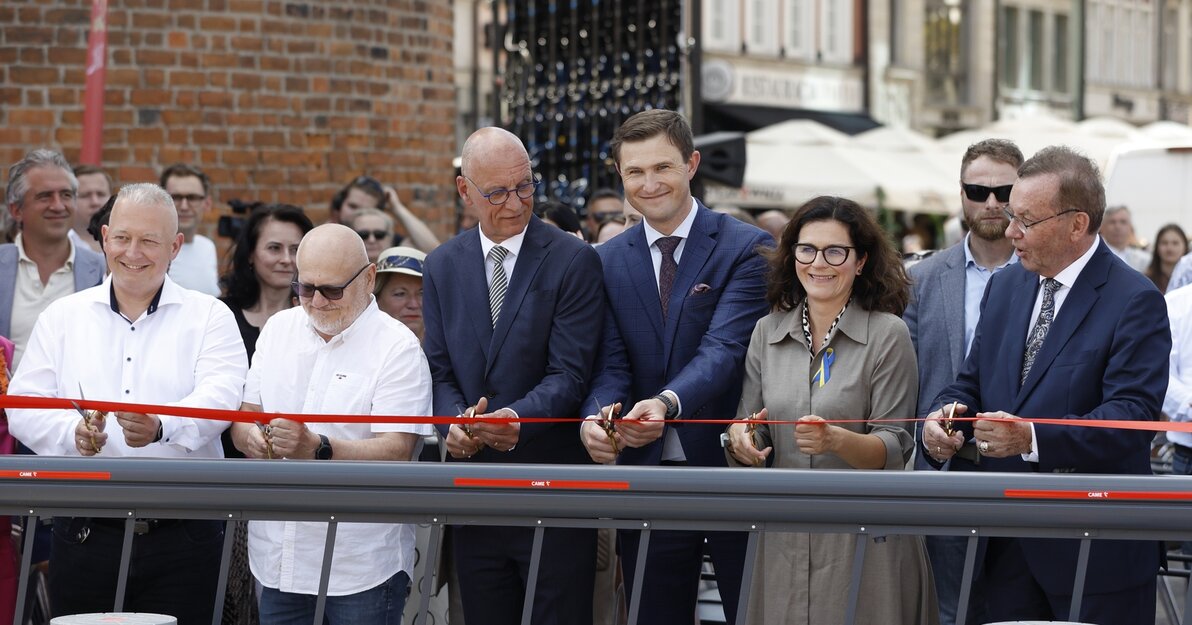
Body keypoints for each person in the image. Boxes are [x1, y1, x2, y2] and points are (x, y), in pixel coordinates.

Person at [921, 146, 1169, 625]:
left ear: (1077, 224)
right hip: (1004, 546)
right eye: (1012, 216)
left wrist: (1032, 438)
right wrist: (942, 419)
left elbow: (1133, 416)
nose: (1010, 230)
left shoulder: (1134, 299)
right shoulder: (1008, 285)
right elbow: (969, 383)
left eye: (1026, 220)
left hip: (1093, 552)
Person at [8, 182, 248, 625]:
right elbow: (24, 405)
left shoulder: (211, 316)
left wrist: (162, 426)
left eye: (149, 241)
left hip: (184, 537)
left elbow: (222, 396)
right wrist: (71, 435)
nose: (132, 252)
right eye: (121, 238)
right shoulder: (63, 317)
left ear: (175, 246)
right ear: (103, 238)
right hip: (84, 534)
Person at [580, 109, 772, 625]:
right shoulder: (606, 259)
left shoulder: (747, 246)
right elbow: (611, 362)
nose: (650, 183)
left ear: (691, 163)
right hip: (644, 479)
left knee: (751, 611)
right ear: (620, 176)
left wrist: (665, 403)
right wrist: (598, 418)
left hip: (732, 468)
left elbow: (725, 349)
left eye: (662, 167)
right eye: (635, 172)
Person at [422, 126, 605, 625]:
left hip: (554, 485)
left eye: (525, 186)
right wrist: (451, 424)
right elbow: (438, 370)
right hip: (476, 492)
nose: (515, 203)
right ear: (466, 192)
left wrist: (515, 418)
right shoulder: (441, 265)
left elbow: (570, 373)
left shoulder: (573, 259)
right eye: (497, 192)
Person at [724, 196, 935, 625]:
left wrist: (836, 440)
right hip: (784, 536)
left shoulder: (888, 334)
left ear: (860, 262)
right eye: (807, 249)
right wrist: (741, 440)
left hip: (865, 541)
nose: (819, 263)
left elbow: (895, 446)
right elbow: (751, 425)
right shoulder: (766, 330)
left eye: (835, 251)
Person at [230, 224, 432, 625]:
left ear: (369, 278)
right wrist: (254, 439)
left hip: (359, 563)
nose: (317, 301)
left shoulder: (398, 346)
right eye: (306, 288)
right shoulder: (278, 330)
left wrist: (318, 446)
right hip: (277, 555)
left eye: (333, 290)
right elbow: (243, 418)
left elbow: (398, 450)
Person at [902, 137, 1023, 625]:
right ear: (961, 195)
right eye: (978, 190)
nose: (991, 201)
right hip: (945, 471)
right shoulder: (922, 279)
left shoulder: (1051, 277)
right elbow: (905, 377)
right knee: (949, 613)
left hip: (1026, 472)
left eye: (1004, 190)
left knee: (1018, 613)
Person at [2, 149, 105, 368]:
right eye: (44, 196)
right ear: (16, 210)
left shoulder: (100, 271)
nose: (58, 205)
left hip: (77, 402)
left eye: (66, 195)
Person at [328, 175, 441, 252]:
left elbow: (434, 251)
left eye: (368, 210)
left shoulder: (383, 239)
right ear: (339, 204)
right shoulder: (324, 236)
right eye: (352, 206)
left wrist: (397, 208)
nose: (358, 214)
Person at [161, 163, 221, 295]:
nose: (184, 206)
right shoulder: (152, 248)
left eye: (192, 198)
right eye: (175, 197)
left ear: (207, 203)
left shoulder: (207, 246)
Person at [374, 245, 426, 340]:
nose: (413, 304)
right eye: (400, 294)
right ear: (376, 299)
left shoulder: (449, 349)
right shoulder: (361, 350)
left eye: (422, 293)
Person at [71, 164, 112, 254]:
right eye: (85, 195)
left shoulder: (128, 242)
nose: (95, 202)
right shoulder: (58, 245)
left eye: (101, 194)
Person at [1099, 205, 1150, 272]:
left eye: (1123, 222)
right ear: (1102, 228)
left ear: (1130, 228)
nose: (1117, 226)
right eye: (1112, 222)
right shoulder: (1095, 256)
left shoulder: (1144, 260)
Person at [1146, 223, 1188, 293]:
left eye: (1175, 243)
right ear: (1157, 247)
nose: (1169, 248)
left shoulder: (1189, 280)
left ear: (1185, 246)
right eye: (1164, 243)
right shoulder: (1147, 281)